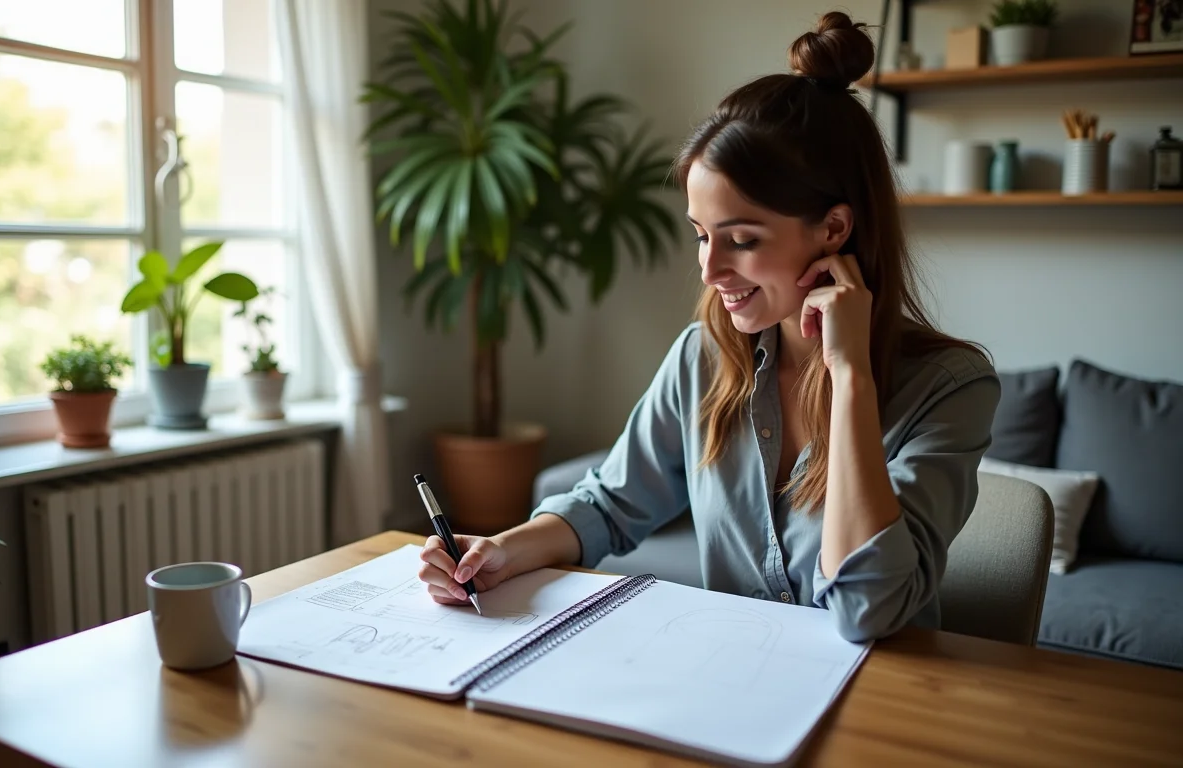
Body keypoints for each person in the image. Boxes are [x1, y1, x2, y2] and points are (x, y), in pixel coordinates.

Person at [417, 12, 1000, 642]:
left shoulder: (950, 389)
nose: (711, 269)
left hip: (886, 709)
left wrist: (850, 377)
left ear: (834, 229)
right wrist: (503, 551)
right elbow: (608, 505)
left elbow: (868, 612)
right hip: (733, 687)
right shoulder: (704, 357)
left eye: (742, 240)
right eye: (701, 235)